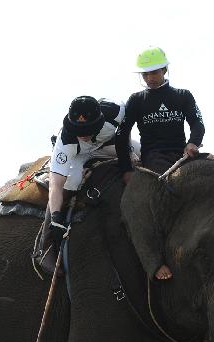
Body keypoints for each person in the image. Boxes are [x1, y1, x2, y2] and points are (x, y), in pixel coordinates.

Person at [114, 47, 205, 281]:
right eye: (145, 74)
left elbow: (197, 124)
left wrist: (193, 143)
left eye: (154, 72)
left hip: (184, 155)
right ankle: (153, 262)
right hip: (153, 159)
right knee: (135, 204)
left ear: (165, 69)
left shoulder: (183, 95)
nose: (150, 78)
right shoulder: (136, 101)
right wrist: (126, 169)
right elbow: (121, 134)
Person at [37, 96, 139, 274]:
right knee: (72, 180)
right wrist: (56, 217)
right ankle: (43, 247)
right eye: (78, 129)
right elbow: (55, 183)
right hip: (79, 154)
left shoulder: (116, 111)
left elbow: (128, 125)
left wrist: (126, 151)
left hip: (110, 144)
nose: (83, 134)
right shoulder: (66, 141)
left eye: (87, 129)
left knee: (142, 154)